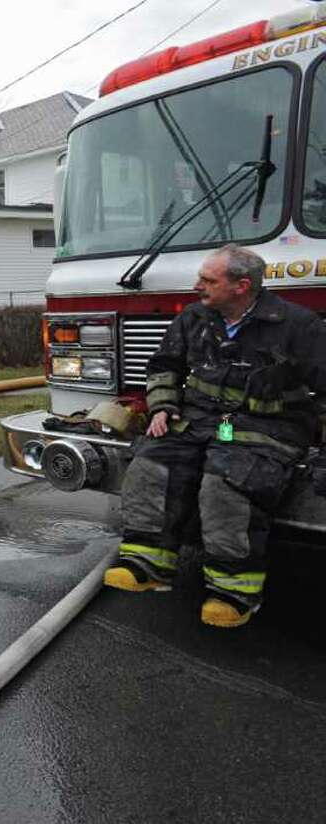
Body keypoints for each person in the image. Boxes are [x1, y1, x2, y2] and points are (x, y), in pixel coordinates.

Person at [104, 243, 326, 628]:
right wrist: (162, 407)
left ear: (241, 286)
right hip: (199, 418)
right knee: (151, 463)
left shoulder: (298, 326)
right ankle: (147, 562)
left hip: (267, 427)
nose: (197, 285)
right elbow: (164, 366)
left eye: (208, 279)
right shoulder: (194, 318)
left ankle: (234, 590)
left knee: (225, 483)